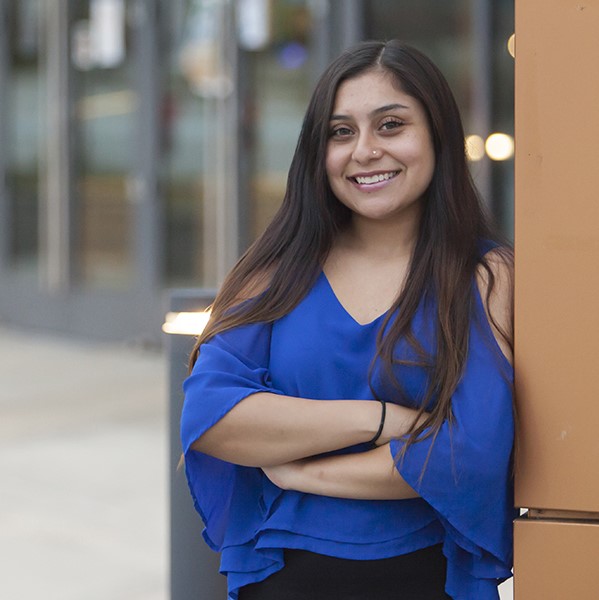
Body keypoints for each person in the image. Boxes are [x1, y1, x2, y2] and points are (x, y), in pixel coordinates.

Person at [181, 40, 515, 600]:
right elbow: (214, 419)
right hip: (285, 580)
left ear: (437, 135)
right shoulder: (278, 272)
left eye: (390, 125)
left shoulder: (485, 276)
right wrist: (381, 420)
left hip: (424, 579)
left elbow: (468, 456)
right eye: (341, 132)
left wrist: (301, 471)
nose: (365, 151)